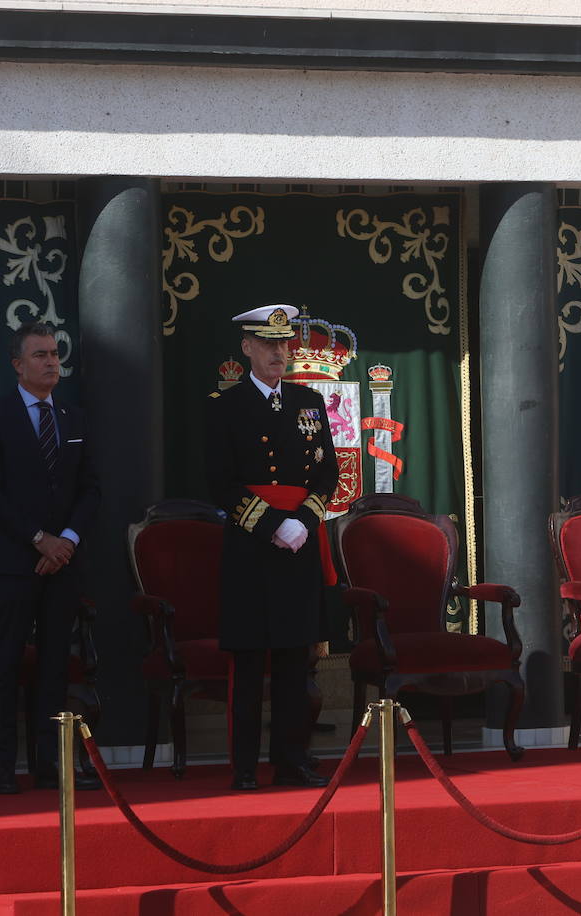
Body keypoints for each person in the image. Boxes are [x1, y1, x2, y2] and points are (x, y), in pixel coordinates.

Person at [205, 304, 338, 790]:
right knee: (249, 661)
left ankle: (292, 759)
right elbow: (220, 483)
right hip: (251, 549)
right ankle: (244, 766)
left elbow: (327, 473)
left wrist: (303, 520)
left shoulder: (308, 401)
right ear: (247, 348)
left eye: (284, 344)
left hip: (300, 545)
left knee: (292, 659)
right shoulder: (225, 405)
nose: (279, 352)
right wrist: (270, 526)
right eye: (269, 344)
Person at [0, 321, 100, 794]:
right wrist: (38, 539)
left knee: (53, 667)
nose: (51, 362)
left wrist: (64, 540)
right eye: (40, 355)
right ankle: (4, 766)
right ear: (17, 365)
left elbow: (90, 489)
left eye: (54, 354)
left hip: (62, 561)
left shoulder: (73, 418)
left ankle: (48, 763)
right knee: (6, 662)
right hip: (13, 560)